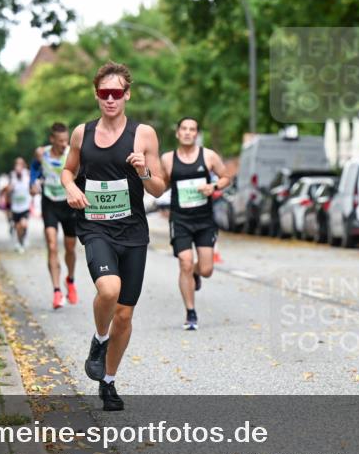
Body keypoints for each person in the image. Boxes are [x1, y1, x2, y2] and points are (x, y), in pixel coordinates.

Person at [61, 61, 165, 411]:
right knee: (109, 289)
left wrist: (143, 170)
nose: (110, 99)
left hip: (132, 231)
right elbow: (68, 171)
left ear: (127, 95)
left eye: (116, 93)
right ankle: (99, 339)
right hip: (95, 227)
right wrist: (70, 188)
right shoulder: (82, 133)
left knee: (124, 315)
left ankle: (107, 382)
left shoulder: (144, 135)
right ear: (96, 95)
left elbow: (158, 188)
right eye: (104, 93)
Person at [159, 117, 232, 330]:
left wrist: (214, 186)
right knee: (185, 262)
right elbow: (162, 185)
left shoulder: (208, 156)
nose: (187, 132)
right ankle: (190, 313)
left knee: (207, 269)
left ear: (197, 134)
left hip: (204, 220)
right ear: (177, 133)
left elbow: (226, 177)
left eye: (192, 129)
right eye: (184, 129)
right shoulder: (168, 159)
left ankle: (196, 274)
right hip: (180, 219)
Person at [35, 123, 79, 310]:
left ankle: (70, 280)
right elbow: (34, 169)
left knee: (70, 248)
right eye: (60, 141)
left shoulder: (71, 153)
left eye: (66, 140)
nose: (64, 144)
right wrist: (32, 183)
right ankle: (56, 291)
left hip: (68, 204)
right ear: (52, 139)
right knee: (52, 246)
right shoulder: (41, 153)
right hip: (49, 203)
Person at [7, 157, 32, 252]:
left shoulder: (27, 174)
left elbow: (32, 186)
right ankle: (20, 242)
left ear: (23, 165)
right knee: (18, 227)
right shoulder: (12, 175)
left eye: (20, 164)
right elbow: (7, 190)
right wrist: (10, 189)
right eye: (16, 164)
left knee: (24, 224)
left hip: (25, 206)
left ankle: (23, 238)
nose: (18, 166)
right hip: (15, 207)